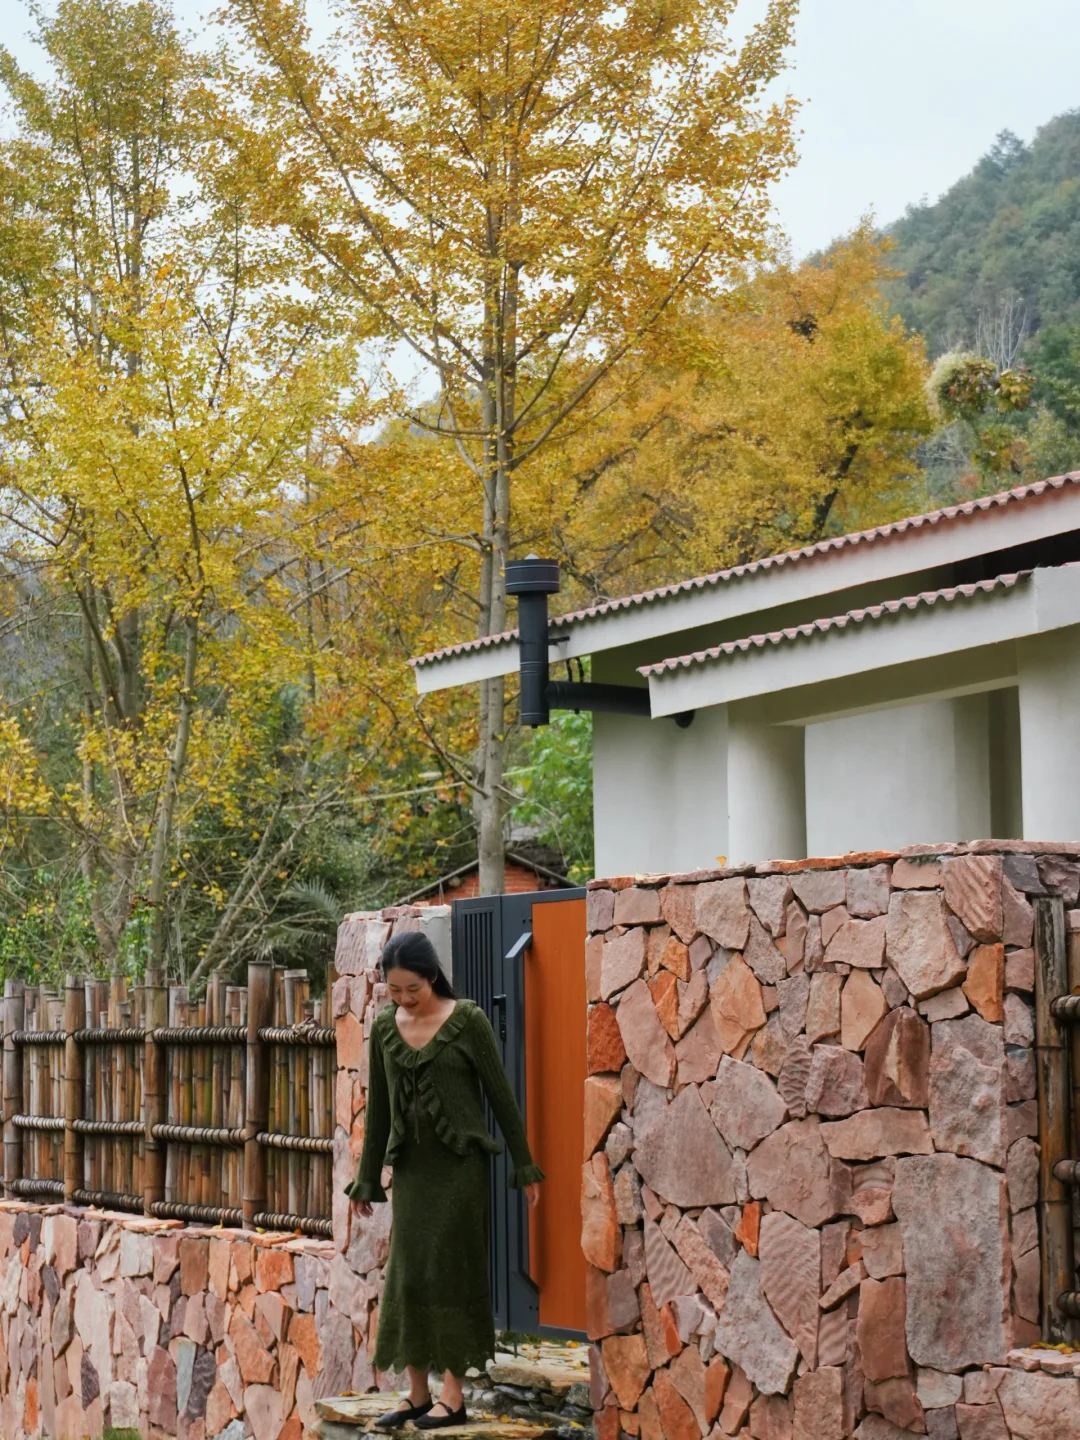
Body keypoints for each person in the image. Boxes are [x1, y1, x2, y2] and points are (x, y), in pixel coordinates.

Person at [346, 930, 544, 1430]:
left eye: (412, 988)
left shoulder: (468, 1021)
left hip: (460, 1171)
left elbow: (501, 1097)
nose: (404, 999)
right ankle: (416, 1394)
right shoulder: (386, 1027)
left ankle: (453, 1398)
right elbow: (379, 1110)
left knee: (451, 1272)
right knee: (409, 1275)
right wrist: (367, 1179)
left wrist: (524, 1166)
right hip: (412, 1171)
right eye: (394, 990)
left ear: (432, 976)